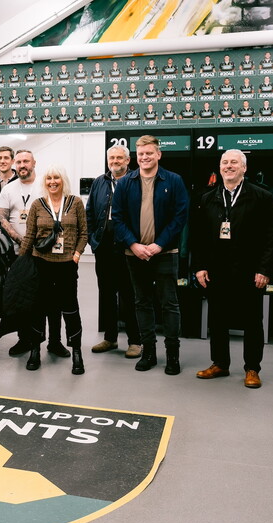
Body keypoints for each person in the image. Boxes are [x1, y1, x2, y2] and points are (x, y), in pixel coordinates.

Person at [192, 149, 273, 389]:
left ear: (244, 168)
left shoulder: (262, 197)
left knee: (252, 320)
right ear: (219, 168)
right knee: (217, 318)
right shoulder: (207, 197)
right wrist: (199, 267)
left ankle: (252, 368)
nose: (228, 166)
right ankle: (220, 363)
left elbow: (272, 236)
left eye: (234, 162)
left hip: (250, 271)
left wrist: (264, 269)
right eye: (224, 162)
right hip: (216, 270)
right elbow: (198, 237)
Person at [110, 134, 189, 375]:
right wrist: (134, 244)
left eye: (149, 153)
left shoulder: (173, 180)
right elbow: (119, 218)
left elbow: (180, 216)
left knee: (169, 304)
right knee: (142, 303)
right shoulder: (126, 182)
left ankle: (172, 355)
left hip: (165, 252)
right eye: (141, 154)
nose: (144, 157)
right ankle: (149, 353)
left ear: (158, 154)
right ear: (136, 156)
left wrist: (159, 245)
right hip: (135, 253)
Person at [19, 165, 89, 374]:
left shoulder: (75, 202)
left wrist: (76, 255)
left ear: (63, 180)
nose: (52, 182)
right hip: (41, 264)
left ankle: (77, 352)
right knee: (38, 308)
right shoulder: (37, 205)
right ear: (44, 181)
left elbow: (83, 233)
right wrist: (20, 264)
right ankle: (34, 349)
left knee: (70, 309)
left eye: (56, 178)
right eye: (48, 178)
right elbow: (30, 236)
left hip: (67, 265)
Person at [0, 149, 65, 358]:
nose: (22, 165)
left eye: (26, 161)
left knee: (53, 300)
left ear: (34, 162)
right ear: (14, 165)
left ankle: (55, 342)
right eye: (19, 162)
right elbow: (2, 217)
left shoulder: (45, 185)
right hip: (20, 253)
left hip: (47, 253)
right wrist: (21, 240)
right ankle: (25, 339)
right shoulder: (8, 189)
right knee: (24, 300)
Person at [86, 146, 141, 358]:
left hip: (128, 245)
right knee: (106, 293)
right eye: (112, 157)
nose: (115, 161)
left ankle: (135, 341)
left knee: (129, 294)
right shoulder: (100, 182)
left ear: (128, 160)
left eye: (119, 157)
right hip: (104, 245)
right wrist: (93, 240)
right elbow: (90, 211)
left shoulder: (137, 181)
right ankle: (110, 338)